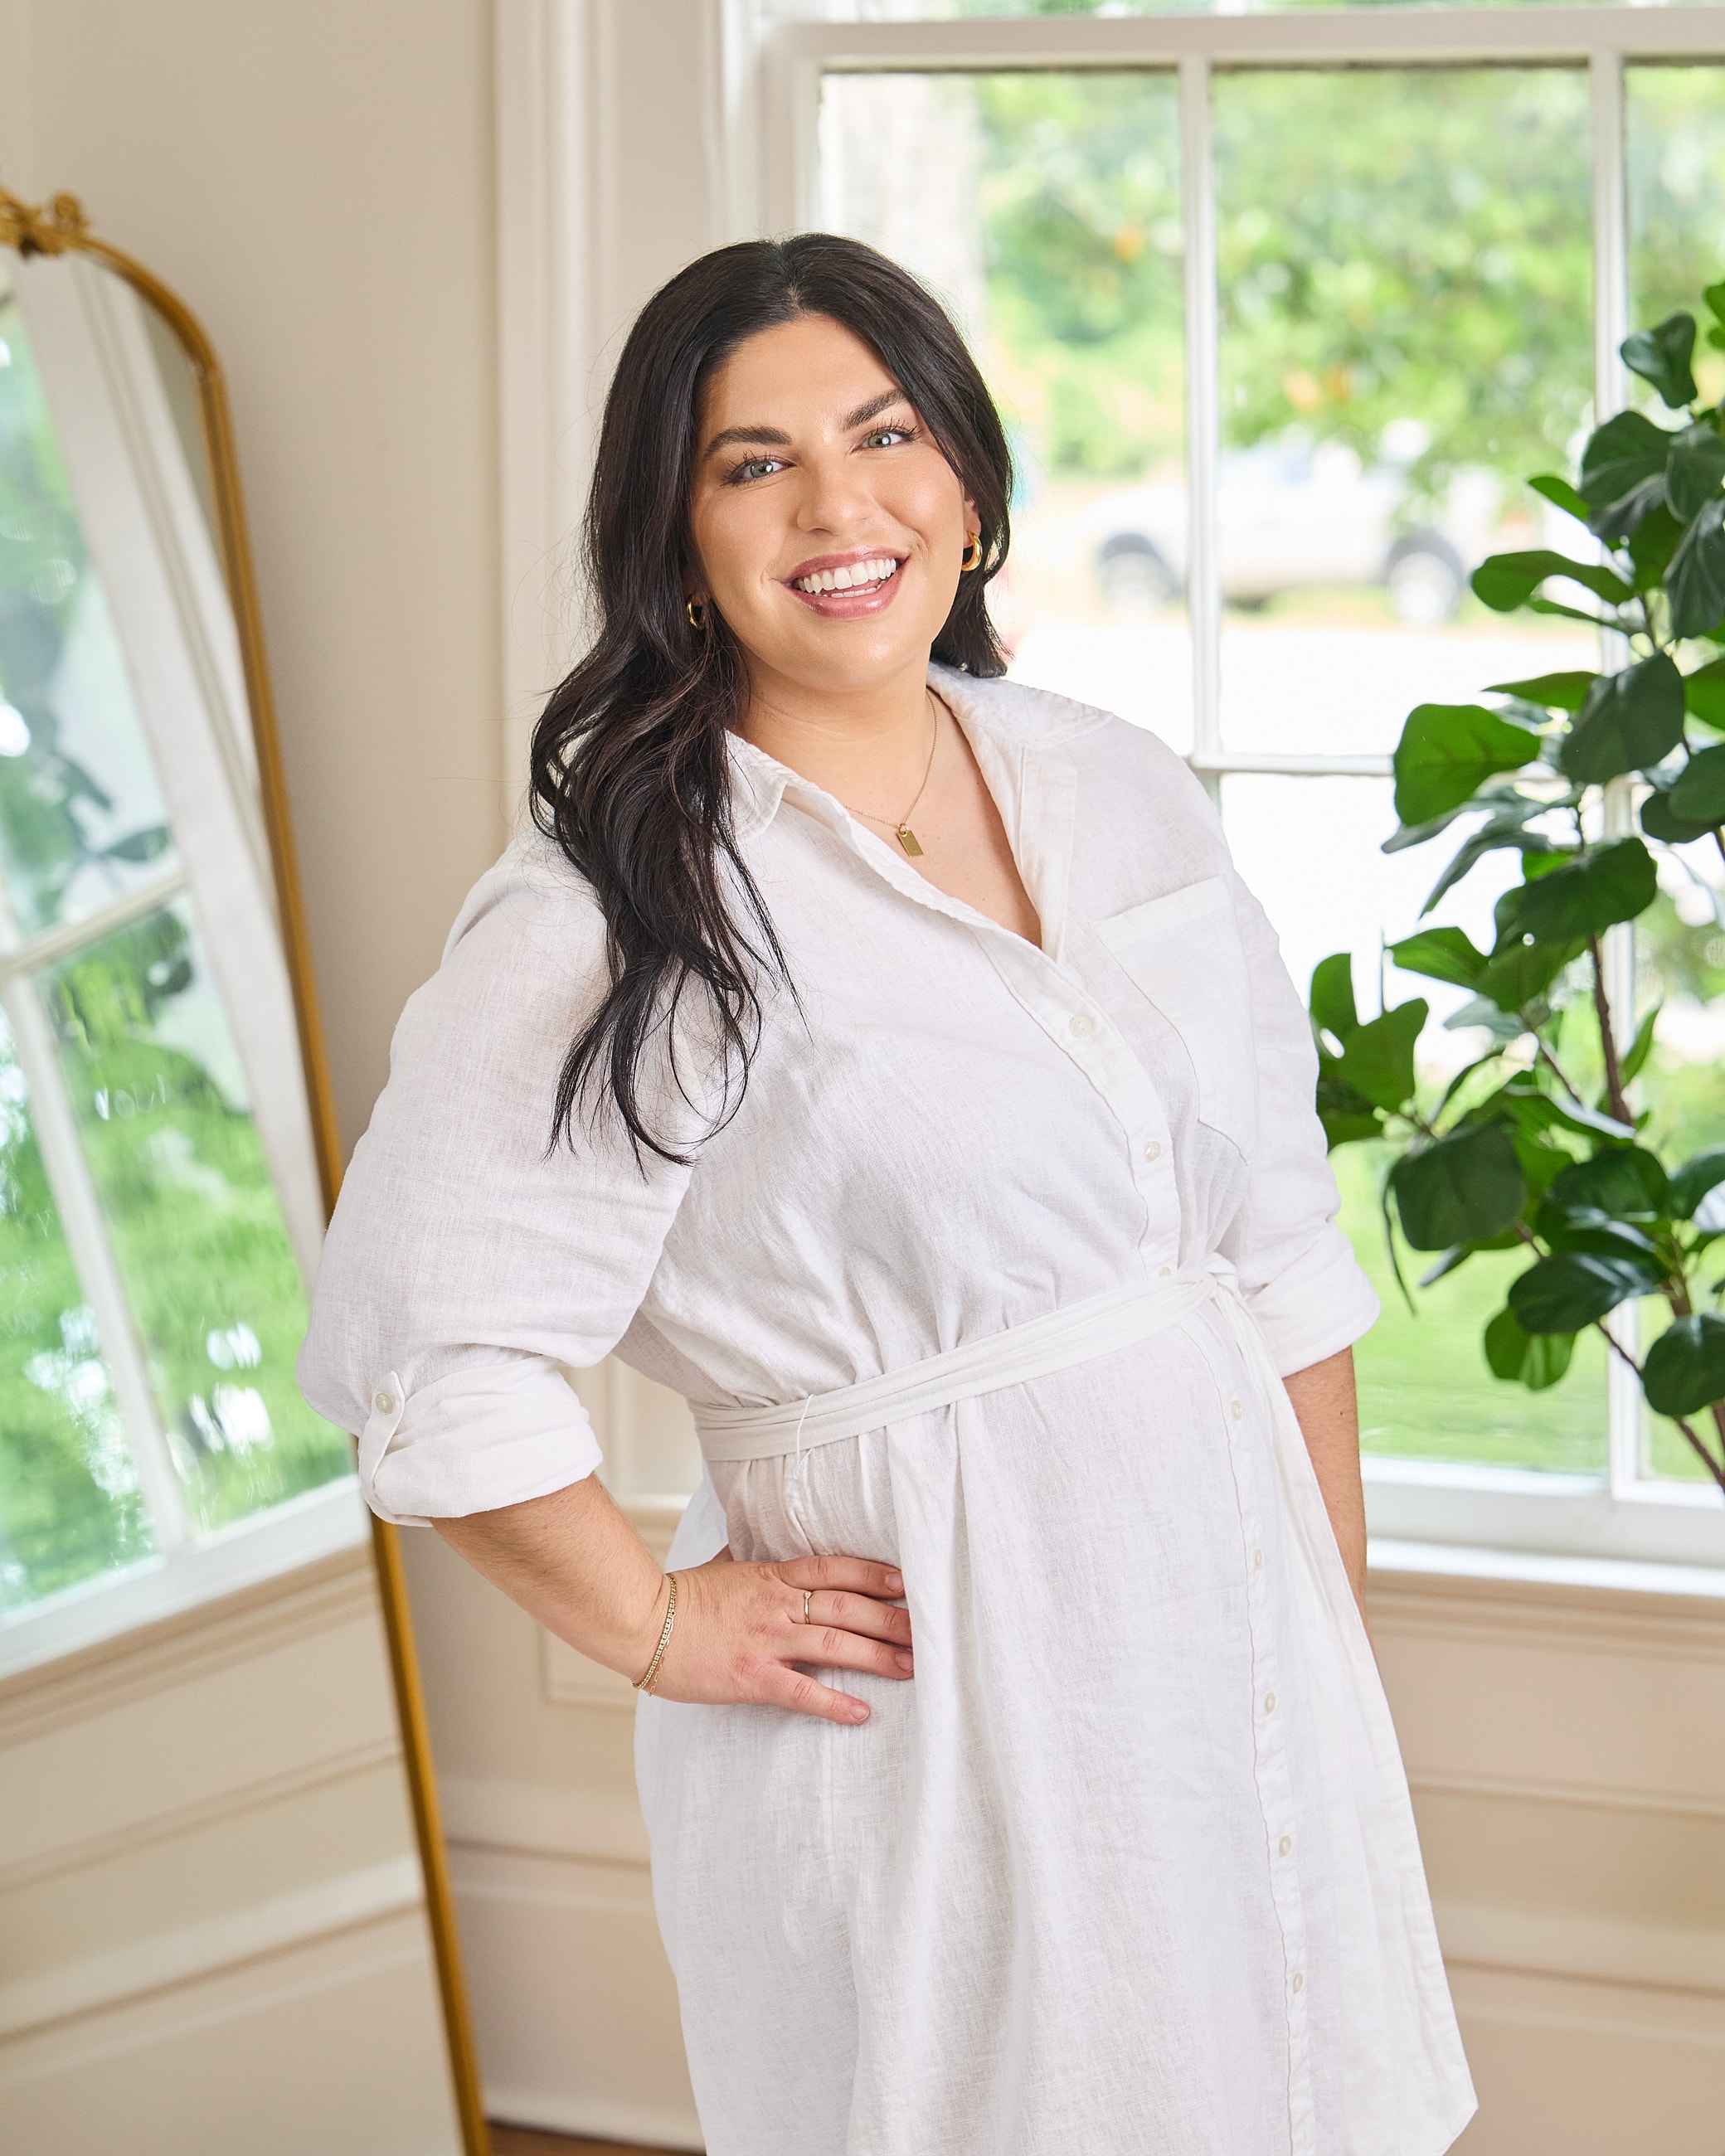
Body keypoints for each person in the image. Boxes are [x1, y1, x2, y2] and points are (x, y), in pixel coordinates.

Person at [299, 233, 1475, 2156]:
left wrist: (1315, 1636)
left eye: (884, 432)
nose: (837, 507)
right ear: (674, 538)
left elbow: (1274, 1258)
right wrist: (662, 1629)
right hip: (937, 1715)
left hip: (1227, 1659)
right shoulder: (616, 912)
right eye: (752, 464)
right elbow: (424, 1352)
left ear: (969, 485)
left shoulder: (1117, 788)